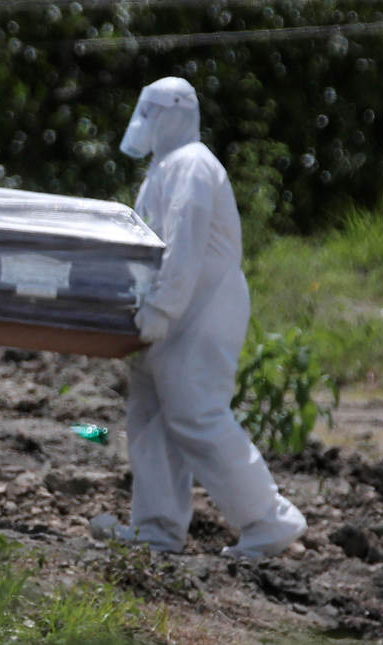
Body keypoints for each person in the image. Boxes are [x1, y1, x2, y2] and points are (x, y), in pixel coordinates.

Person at [100, 77, 307, 557]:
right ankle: (156, 529)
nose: (146, 124)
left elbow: (185, 244)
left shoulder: (192, 164)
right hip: (169, 313)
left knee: (196, 413)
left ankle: (269, 520)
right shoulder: (162, 169)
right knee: (150, 416)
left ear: (176, 113)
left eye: (154, 113)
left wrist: (161, 307)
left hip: (203, 307)